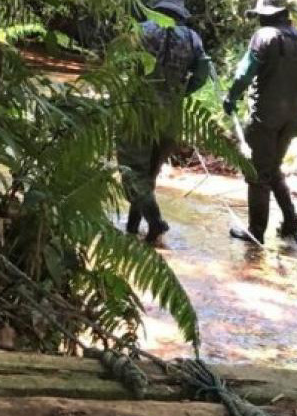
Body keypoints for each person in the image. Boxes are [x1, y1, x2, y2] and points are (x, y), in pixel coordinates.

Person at [223, 0, 297, 244]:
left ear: (267, 16)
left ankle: (256, 232)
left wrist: (231, 97)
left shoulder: (263, 36)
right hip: (290, 121)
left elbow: (244, 74)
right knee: (273, 168)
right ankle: (290, 221)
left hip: (264, 119)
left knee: (258, 174)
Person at [116, 0, 210, 243]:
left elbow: (121, 65)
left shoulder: (141, 31)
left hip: (138, 111)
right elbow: (201, 75)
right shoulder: (193, 39)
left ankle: (155, 222)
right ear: (180, 13)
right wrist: (179, 93)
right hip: (171, 116)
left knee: (132, 173)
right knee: (148, 175)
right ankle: (132, 226)